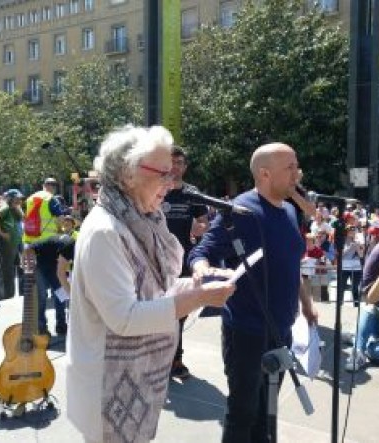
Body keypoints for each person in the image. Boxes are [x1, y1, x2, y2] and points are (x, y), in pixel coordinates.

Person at [65, 125, 234, 443]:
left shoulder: (142, 220)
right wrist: (198, 298)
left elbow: (157, 291)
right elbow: (126, 317)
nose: (172, 184)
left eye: (173, 174)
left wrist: (199, 283)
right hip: (107, 390)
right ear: (129, 175)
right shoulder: (106, 231)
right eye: (164, 174)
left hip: (136, 385)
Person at [188, 142, 318, 443]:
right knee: (243, 413)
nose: (297, 173)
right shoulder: (242, 211)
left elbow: (289, 262)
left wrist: (306, 304)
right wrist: (202, 268)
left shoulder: (288, 210)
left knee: (267, 414)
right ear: (265, 173)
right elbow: (203, 250)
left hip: (281, 330)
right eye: (290, 167)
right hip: (247, 333)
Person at [162, 145, 209, 379]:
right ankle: (159, 358)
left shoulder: (192, 193)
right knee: (157, 309)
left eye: (180, 162)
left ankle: (176, 359)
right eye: (172, 162)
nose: (175, 166)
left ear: (185, 166)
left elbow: (205, 225)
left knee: (180, 312)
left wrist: (197, 228)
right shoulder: (156, 189)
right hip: (155, 260)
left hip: (182, 260)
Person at [23, 177, 70, 336]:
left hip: (33, 248)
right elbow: (60, 219)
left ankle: (41, 328)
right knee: (59, 291)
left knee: (40, 294)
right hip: (51, 247)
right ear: (53, 188)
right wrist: (62, 231)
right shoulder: (51, 199)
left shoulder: (30, 198)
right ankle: (61, 325)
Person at [0, 189, 24, 299]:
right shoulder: (5, 207)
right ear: (10, 198)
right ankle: (6, 294)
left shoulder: (16, 209)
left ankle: (12, 293)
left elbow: (21, 219)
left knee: (16, 267)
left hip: (16, 240)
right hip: (7, 242)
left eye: (20, 199)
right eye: (17, 198)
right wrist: (1, 233)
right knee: (7, 268)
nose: (19, 201)